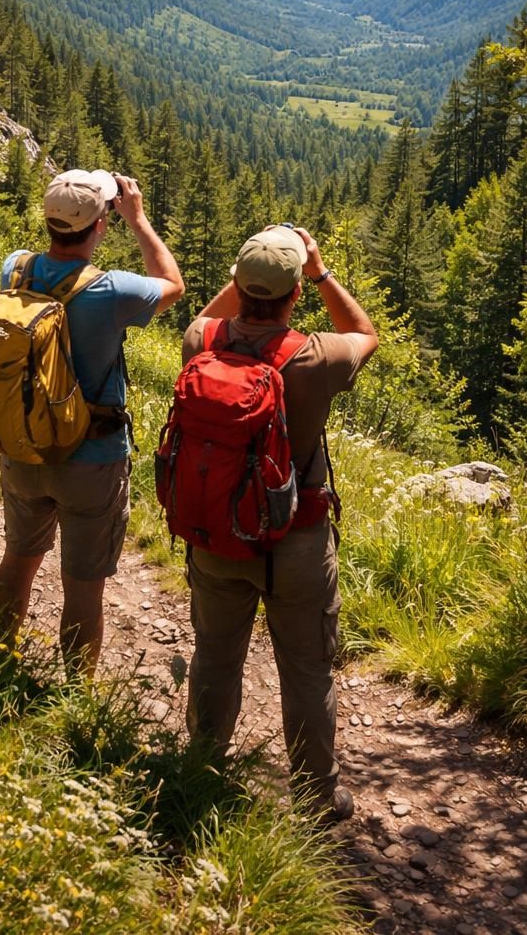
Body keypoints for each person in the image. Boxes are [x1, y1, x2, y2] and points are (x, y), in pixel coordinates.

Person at [182, 224, 377, 821]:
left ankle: (202, 768)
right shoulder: (315, 356)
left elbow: (205, 317)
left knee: (215, 653)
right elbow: (366, 333)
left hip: (216, 533)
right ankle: (317, 798)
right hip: (296, 541)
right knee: (306, 668)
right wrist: (317, 268)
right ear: (296, 295)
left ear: (239, 287)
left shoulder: (201, 341)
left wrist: (245, 279)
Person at [0, 169, 184, 674]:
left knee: (18, 559)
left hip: (21, 442)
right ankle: (77, 694)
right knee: (82, 584)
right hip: (91, 458)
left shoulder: (15, 268)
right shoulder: (112, 291)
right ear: (101, 224)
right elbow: (173, 284)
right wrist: (138, 220)